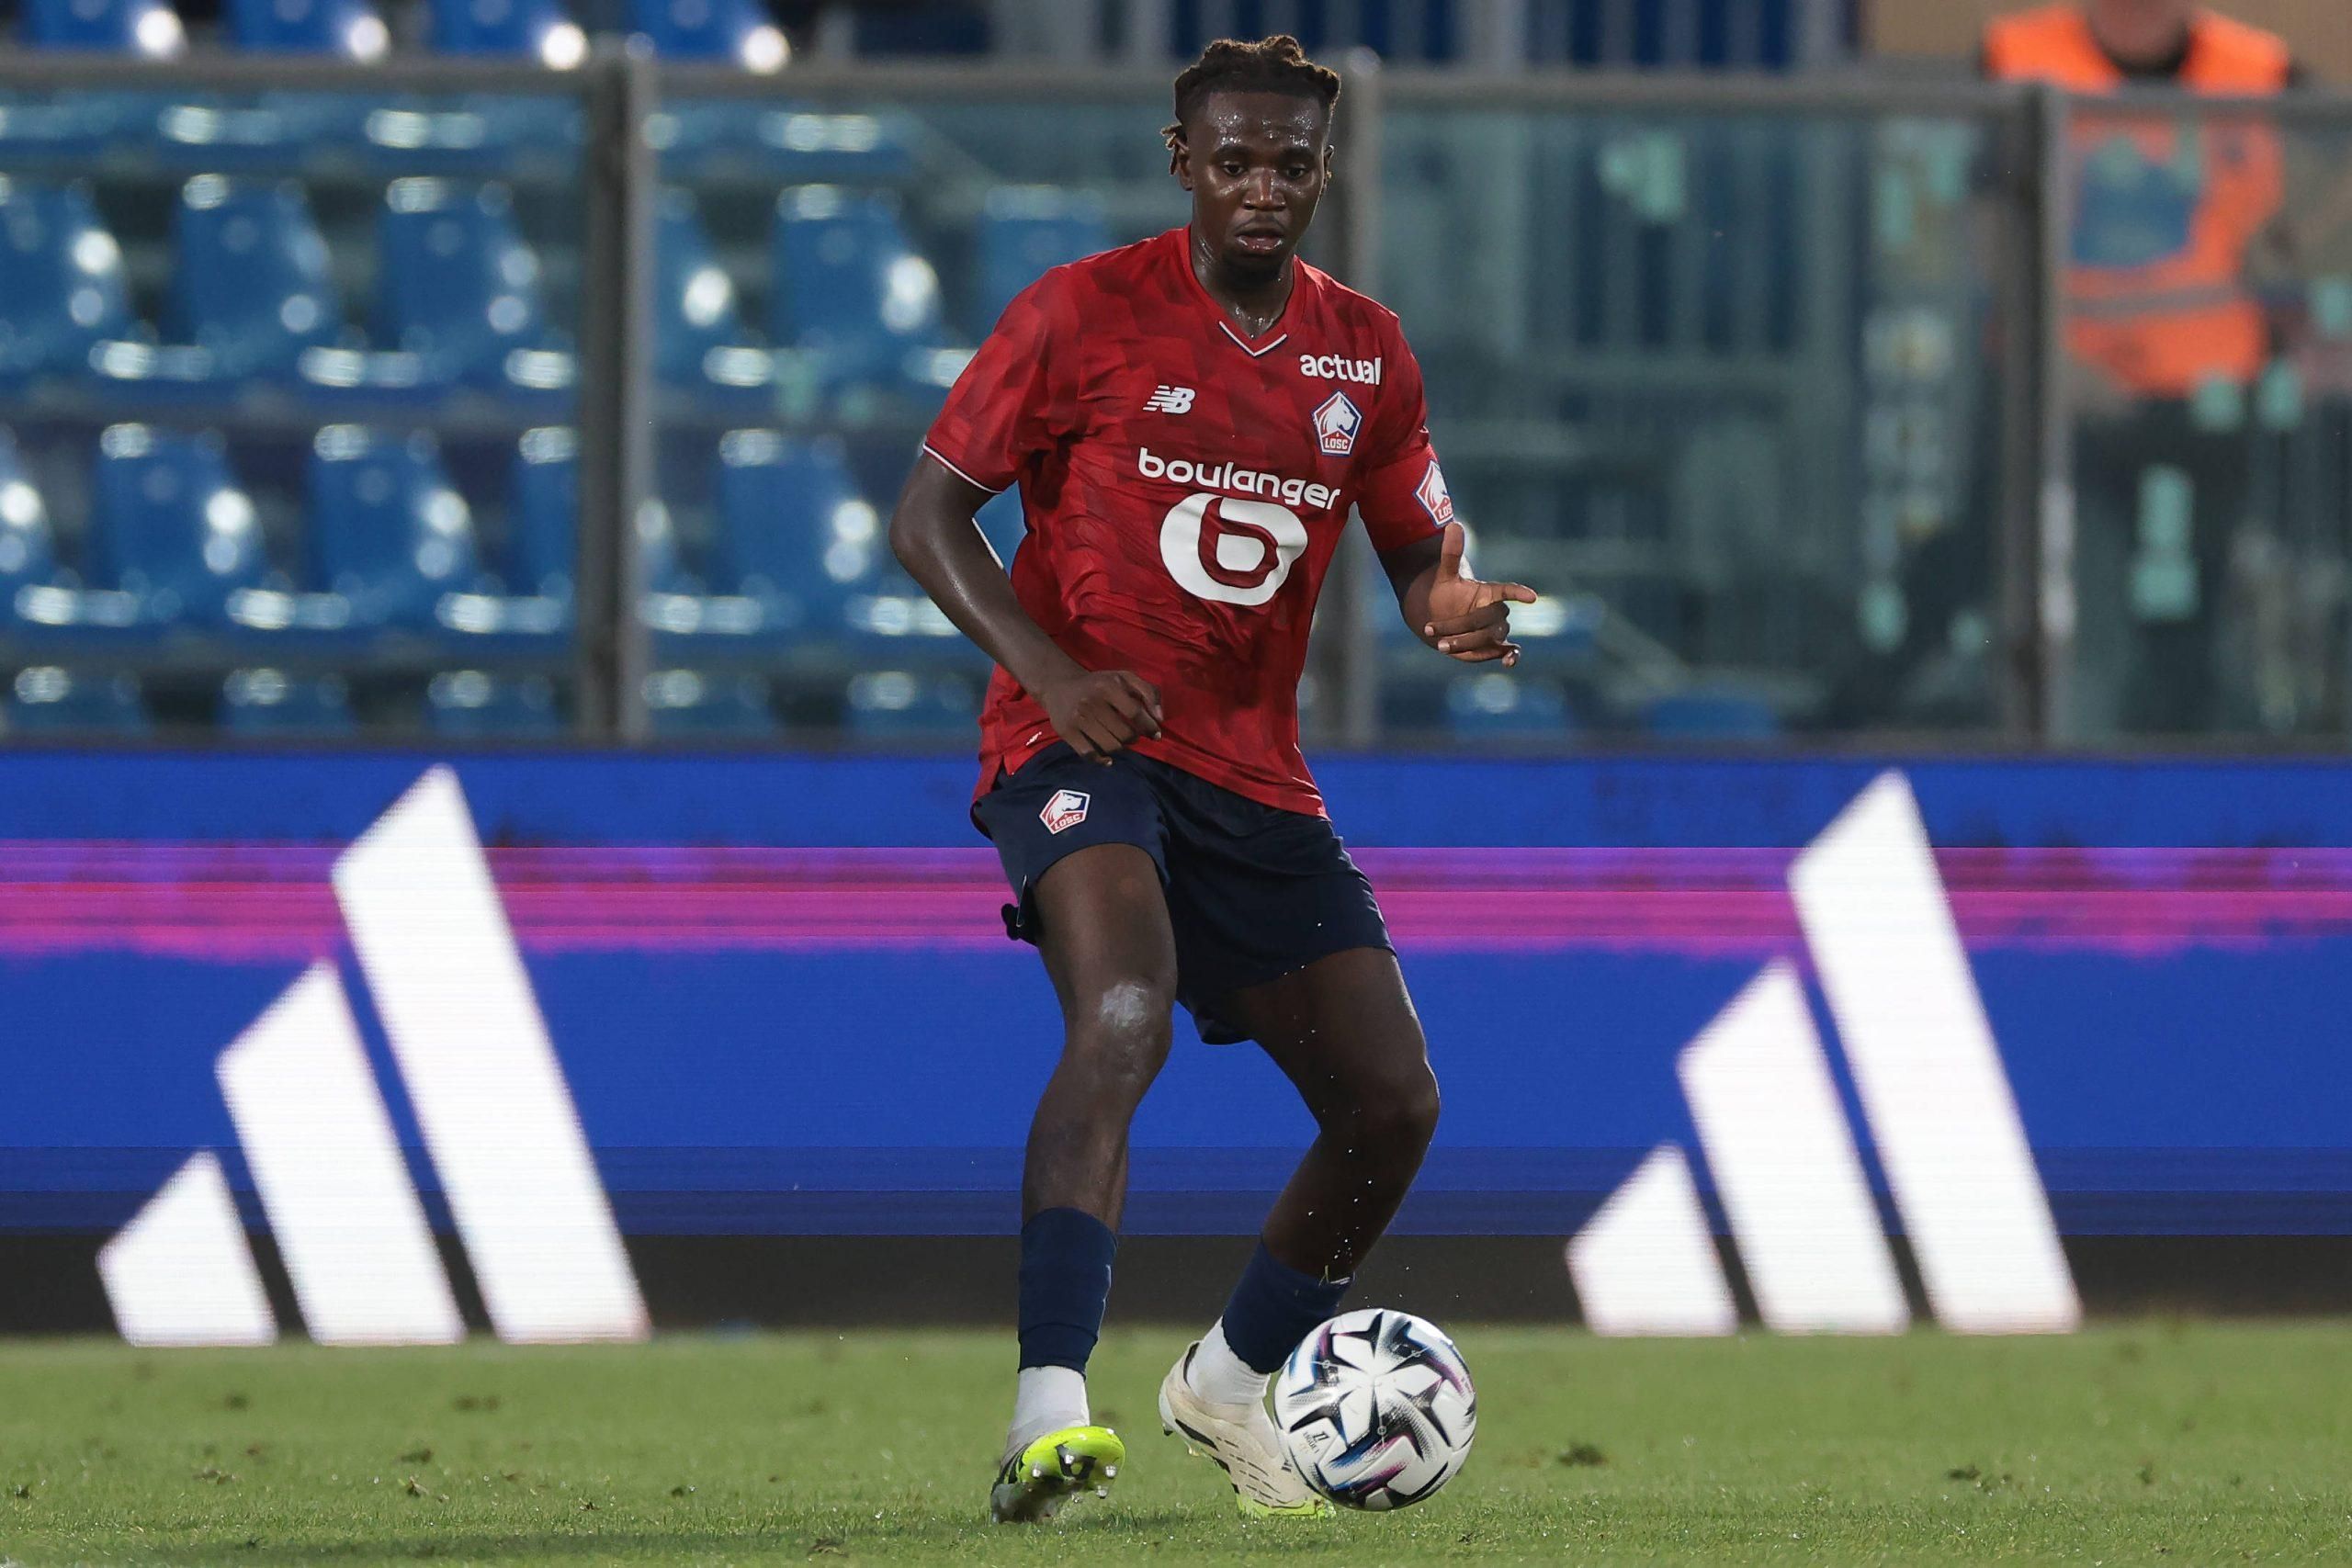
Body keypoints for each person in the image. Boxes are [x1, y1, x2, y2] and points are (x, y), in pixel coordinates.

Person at [888, 34, 1537, 1526]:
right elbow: (928, 518)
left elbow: (1420, 552)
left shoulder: (1364, 351)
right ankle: (1049, 1406)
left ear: (1326, 171)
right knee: (1123, 1008)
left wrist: (1453, 608)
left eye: (1290, 163)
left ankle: (1230, 1381)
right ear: (1183, 163)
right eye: (1233, 159)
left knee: (1393, 1102)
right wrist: (1050, 672)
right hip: (1079, 741)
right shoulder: (1080, 315)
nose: (1262, 186)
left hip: (1253, 773)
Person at [1981, 0, 2306, 733]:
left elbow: (2300, 221)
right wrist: (2044, 358)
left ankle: (2185, 815)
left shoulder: (2259, 71)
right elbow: (1985, 237)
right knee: (2019, 596)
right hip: (2056, 397)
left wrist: (2309, 326)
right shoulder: (2019, 54)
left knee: (2187, 628)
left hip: (2205, 403)